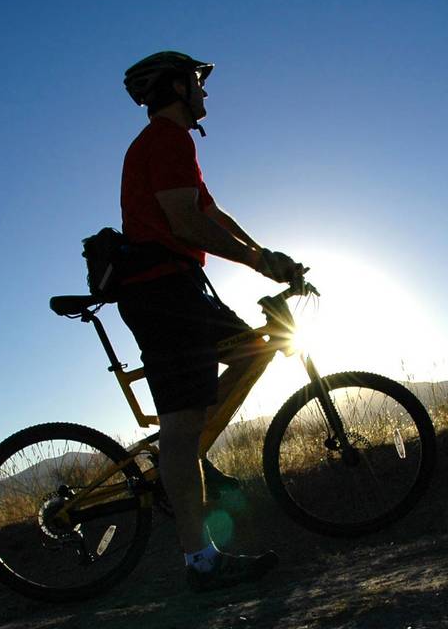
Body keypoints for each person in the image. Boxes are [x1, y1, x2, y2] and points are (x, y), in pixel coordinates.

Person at [116, 50, 306, 592]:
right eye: (198, 83)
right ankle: (200, 559)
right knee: (179, 426)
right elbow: (185, 224)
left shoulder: (175, 146)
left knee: (253, 347)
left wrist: (266, 256)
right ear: (176, 88)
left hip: (179, 289)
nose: (205, 93)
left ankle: (192, 451)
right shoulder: (165, 141)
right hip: (162, 292)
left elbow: (211, 215)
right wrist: (255, 261)